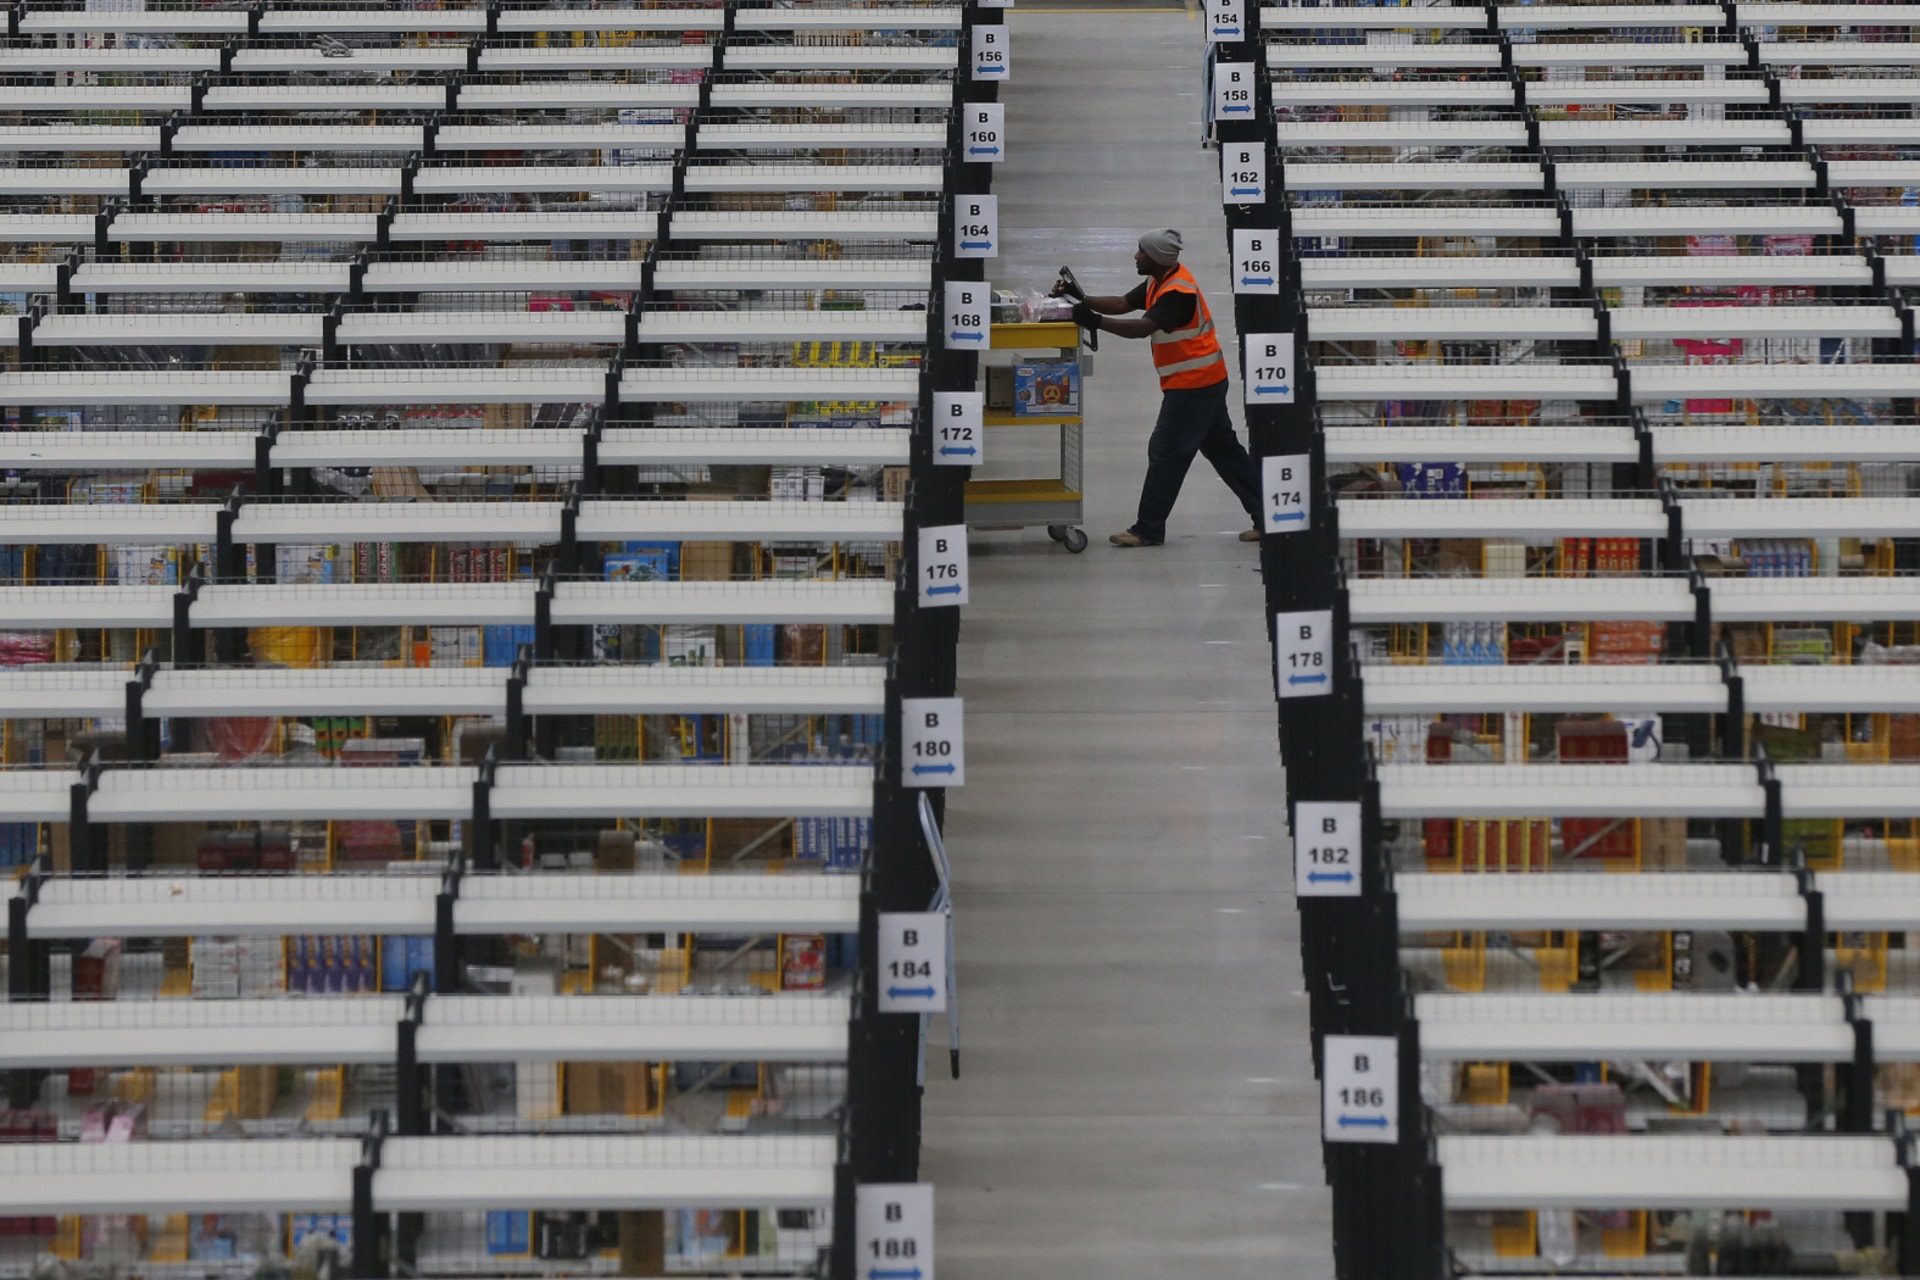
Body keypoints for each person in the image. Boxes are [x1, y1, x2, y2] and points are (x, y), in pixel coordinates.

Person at [1061, 229, 1262, 548]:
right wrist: (1081, 299)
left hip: (1194, 384)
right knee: (1227, 454)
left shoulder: (1177, 292)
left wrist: (1094, 321)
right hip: (1203, 379)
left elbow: (1142, 328)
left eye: (1141, 252)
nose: (1135, 256)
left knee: (1166, 452)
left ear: (1156, 258)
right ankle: (1270, 518)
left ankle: (1148, 529)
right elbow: (1124, 304)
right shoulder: (1161, 278)